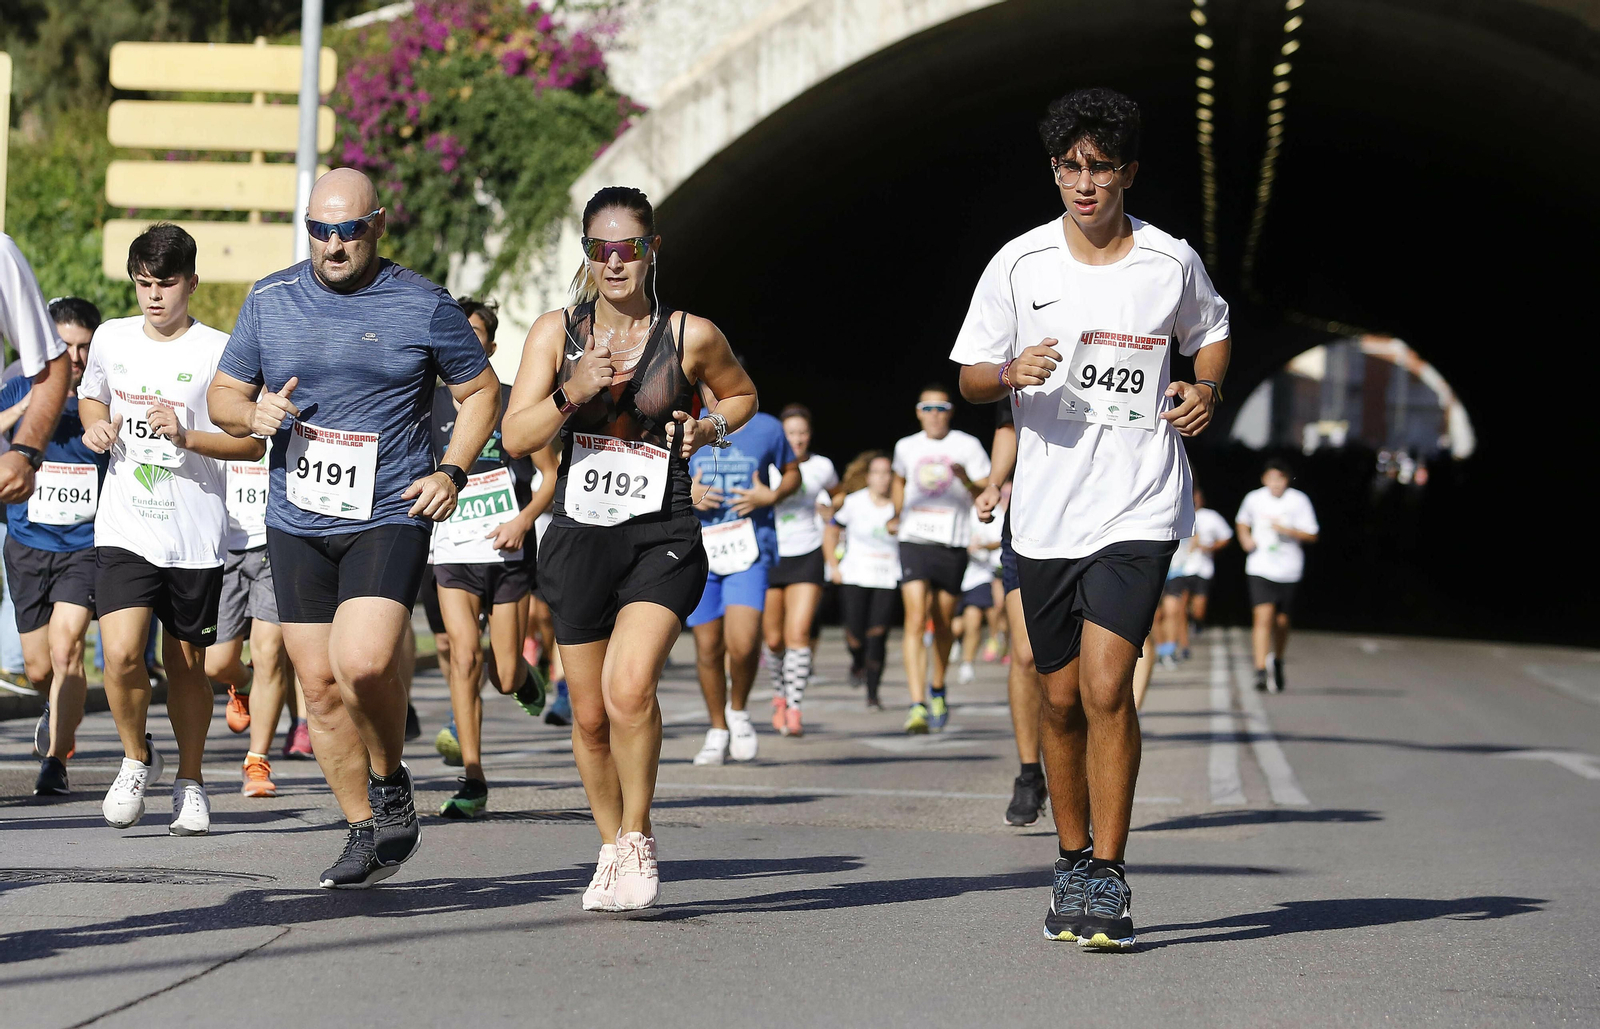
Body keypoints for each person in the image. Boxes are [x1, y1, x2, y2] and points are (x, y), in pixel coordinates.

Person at [952, 88, 1231, 950]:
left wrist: (1204, 390)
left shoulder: (1168, 261)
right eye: (1070, 166)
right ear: (1055, 171)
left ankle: (1107, 873)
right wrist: (1009, 372)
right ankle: (1071, 858)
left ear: (1127, 173)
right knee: (1059, 696)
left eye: (1100, 166)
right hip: (1044, 512)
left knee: (1109, 684)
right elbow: (966, 375)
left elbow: (1212, 330)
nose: (1084, 182)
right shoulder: (1019, 265)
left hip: (1137, 501)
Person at [208, 169, 500, 888]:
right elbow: (222, 394)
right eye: (319, 230)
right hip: (297, 516)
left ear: (376, 224)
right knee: (319, 683)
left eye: (347, 230)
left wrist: (453, 471)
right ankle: (363, 828)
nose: (332, 245)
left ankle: (391, 779)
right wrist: (252, 416)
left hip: (391, 508)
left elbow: (482, 390)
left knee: (363, 661)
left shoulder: (424, 303)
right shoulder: (270, 299)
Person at [504, 185, 755, 912]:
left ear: (653, 251)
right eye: (600, 249)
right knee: (587, 715)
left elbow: (741, 396)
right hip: (581, 534)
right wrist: (569, 393)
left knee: (628, 688)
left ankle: (640, 833)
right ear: (586, 253)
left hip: (663, 530)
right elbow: (517, 436)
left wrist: (709, 428)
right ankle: (610, 844)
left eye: (629, 248)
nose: (615, 262)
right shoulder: (556, 334)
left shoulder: (689, 335)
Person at [80, 223, 266, 834]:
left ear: (192, 282)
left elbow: (249, 446)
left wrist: (188, 437)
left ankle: (191, 780)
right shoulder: (110, 337)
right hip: (125, 526)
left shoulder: (219, 350)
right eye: (143, 284)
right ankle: (137, 757)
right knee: (122, 652)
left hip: (194, 534)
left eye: (166, 284)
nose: (154, 296)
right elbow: (93, 396)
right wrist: (95, 425)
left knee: (187, 663)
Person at [428, 296, 558, 818]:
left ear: (491, 345)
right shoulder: (427, 402)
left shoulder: (511, 403)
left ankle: (524, 678)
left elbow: (550, 476)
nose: (464, 339)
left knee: (503, 675)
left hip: (506, 552)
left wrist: (522, 521)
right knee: (462, 656)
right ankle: (473, 779)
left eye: (474, 332)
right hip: (452, 551)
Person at [0, 298, 106, 795]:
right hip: (26, 543)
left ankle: (55, 761)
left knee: (67, 651)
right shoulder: (19, 385)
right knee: (41, 666)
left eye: (84, 346)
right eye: (65, 347)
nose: (76, 357)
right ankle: (57, 711)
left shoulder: (105, 396)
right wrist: (26, 409)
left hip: (84, 545)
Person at [688, 404, 799, 759]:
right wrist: (689, 492)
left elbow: (793, 472)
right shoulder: (687, 422)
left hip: (748, 550)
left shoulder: (768, 427)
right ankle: (717, 728)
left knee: (745, 642)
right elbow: (658, 467)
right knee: (707, 648)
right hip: (700, 549)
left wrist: (773, 494)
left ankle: (738, 711)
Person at [893, 385, 990, 733]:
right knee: (915, 619)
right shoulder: (906, 446)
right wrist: (895, 512)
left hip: (952, 541)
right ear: (918, 412)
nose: (934, 414)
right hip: (914, 538)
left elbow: (985, 490)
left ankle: (938, 686)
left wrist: (966, 479)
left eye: (941, 407)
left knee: (944, 621)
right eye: (927, 407)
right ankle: (917, 702)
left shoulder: (967, 445)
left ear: (950, 411)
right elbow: (899, 480)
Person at [208, 444, 303, 797]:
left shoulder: (289, 395)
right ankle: (244, 685)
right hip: (222, 546)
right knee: (216, 664)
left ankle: (257, 762)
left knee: (268, 653)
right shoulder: (219, 398)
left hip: (275, 541)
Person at [974, 400, 1046, 827]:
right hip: (1028, 522)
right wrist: (994, 483)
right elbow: (1008, 424)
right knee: (1026, 655)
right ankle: (1029, 774)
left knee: (1086, 669)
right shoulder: (1029, 354)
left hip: (1100, 525)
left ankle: (1084, 773)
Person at [762, 404, 836, 735]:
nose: (797, 439)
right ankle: (780, 693)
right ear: (781, 435)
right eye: (790, 433)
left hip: (807, 553)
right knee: (774, 639)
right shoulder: (767, 465)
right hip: (771, 554)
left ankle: (794, 707)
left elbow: (837, 494)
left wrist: (831, 511)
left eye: (802, 433)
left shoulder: (823, 466)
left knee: (799, 633)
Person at [824, 452, 900, 710]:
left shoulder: (899, 505)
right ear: (868, 477)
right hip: (855, 574)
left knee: (878, 634)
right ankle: (857, 661)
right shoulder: (854, 503)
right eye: (877, 472)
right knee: (855, 636)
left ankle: (872, 693)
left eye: (887, 472)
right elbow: (832, 530)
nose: (882, 478)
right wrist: (833, 566)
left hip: (887, 575)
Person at [1236, 459, 1318, 692]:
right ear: (1264, 479)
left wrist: (1287, 530)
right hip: (1260, 566)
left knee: (1281, 621)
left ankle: (1278, 660)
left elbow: (1312, 534)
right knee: (1263, 616)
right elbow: (1242, 522)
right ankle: (1260, 669)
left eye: (1280, 479)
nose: (1275, 484)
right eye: (1271, 479)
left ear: (1286, 480)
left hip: (1289, 568)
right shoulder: (1254, 498)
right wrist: (1246, 539)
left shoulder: (1299, 501)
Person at [1156, 484, 1232, 665]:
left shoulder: (1210, 517)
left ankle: (1192, 627)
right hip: (1174, 571)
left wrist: (1209, 547)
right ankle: (1171, 648)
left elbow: (1226, 536)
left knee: (1194, 608)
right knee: (1170, 611)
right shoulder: (1169, 512)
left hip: (1197, 569)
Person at [954, 493, 1002, 686]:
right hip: (955, 575)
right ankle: (957, 643)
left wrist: (980, 545)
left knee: (973, 620)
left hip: (979, 576)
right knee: (956, 625)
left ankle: (967, 664)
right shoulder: (957, 507)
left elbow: (999, 540)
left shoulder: (994, 511)